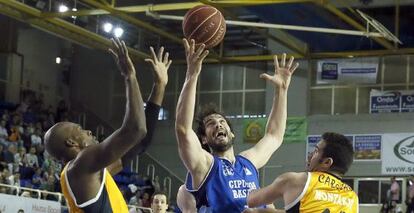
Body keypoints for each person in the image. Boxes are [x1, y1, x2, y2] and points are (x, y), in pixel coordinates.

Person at [44, 38, 171, 212]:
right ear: (71, 143)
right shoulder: (80, 166)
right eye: (79, 130)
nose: (88, 131)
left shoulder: (90, 172)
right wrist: (129, 76)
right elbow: (135, 129)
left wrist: (159, 86)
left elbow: (140, 142)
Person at [175, 38, 298, 213]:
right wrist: (192, 75)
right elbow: (182, 129)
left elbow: (274, 135)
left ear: (232, 134)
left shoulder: (247, 162)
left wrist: (282, 91)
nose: (218, 125)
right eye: (211, 124)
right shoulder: (205, 165)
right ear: (203, 138)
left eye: (222, 122)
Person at [244, 132, 359, 213]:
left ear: (326, 162)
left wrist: (244, 169)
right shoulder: (352, 198)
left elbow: (252, 200)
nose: (309, 156)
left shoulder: (298, 180)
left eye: (315, 151)